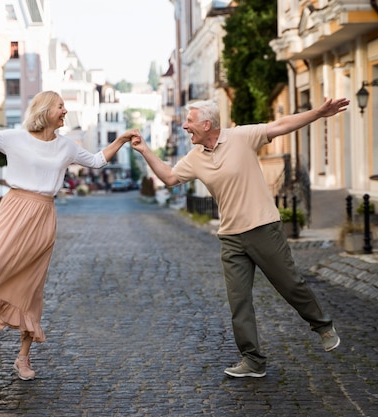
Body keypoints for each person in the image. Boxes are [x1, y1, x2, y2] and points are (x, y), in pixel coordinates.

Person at [0, 86, 140, 381]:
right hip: (13, 208)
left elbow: (96, 160)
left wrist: (121, 140)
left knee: (31, 286)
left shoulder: (66, 146)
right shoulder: (15, 138)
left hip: (43, 215)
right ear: (45, 111)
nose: (65, 111)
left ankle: (23, 358)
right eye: (61, 107)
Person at [131, 97, 350, 378]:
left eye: (190, 121)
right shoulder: (196, 157)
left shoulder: (242, 137)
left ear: (207, 124)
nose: (185, 126)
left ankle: (322, 326)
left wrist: (319, 112)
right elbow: (171, 178)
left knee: (290, 284)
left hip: (263, 228)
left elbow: (281, 124)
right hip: (231, 237)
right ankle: (253, 361)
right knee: (239, 302)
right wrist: (145, 150)